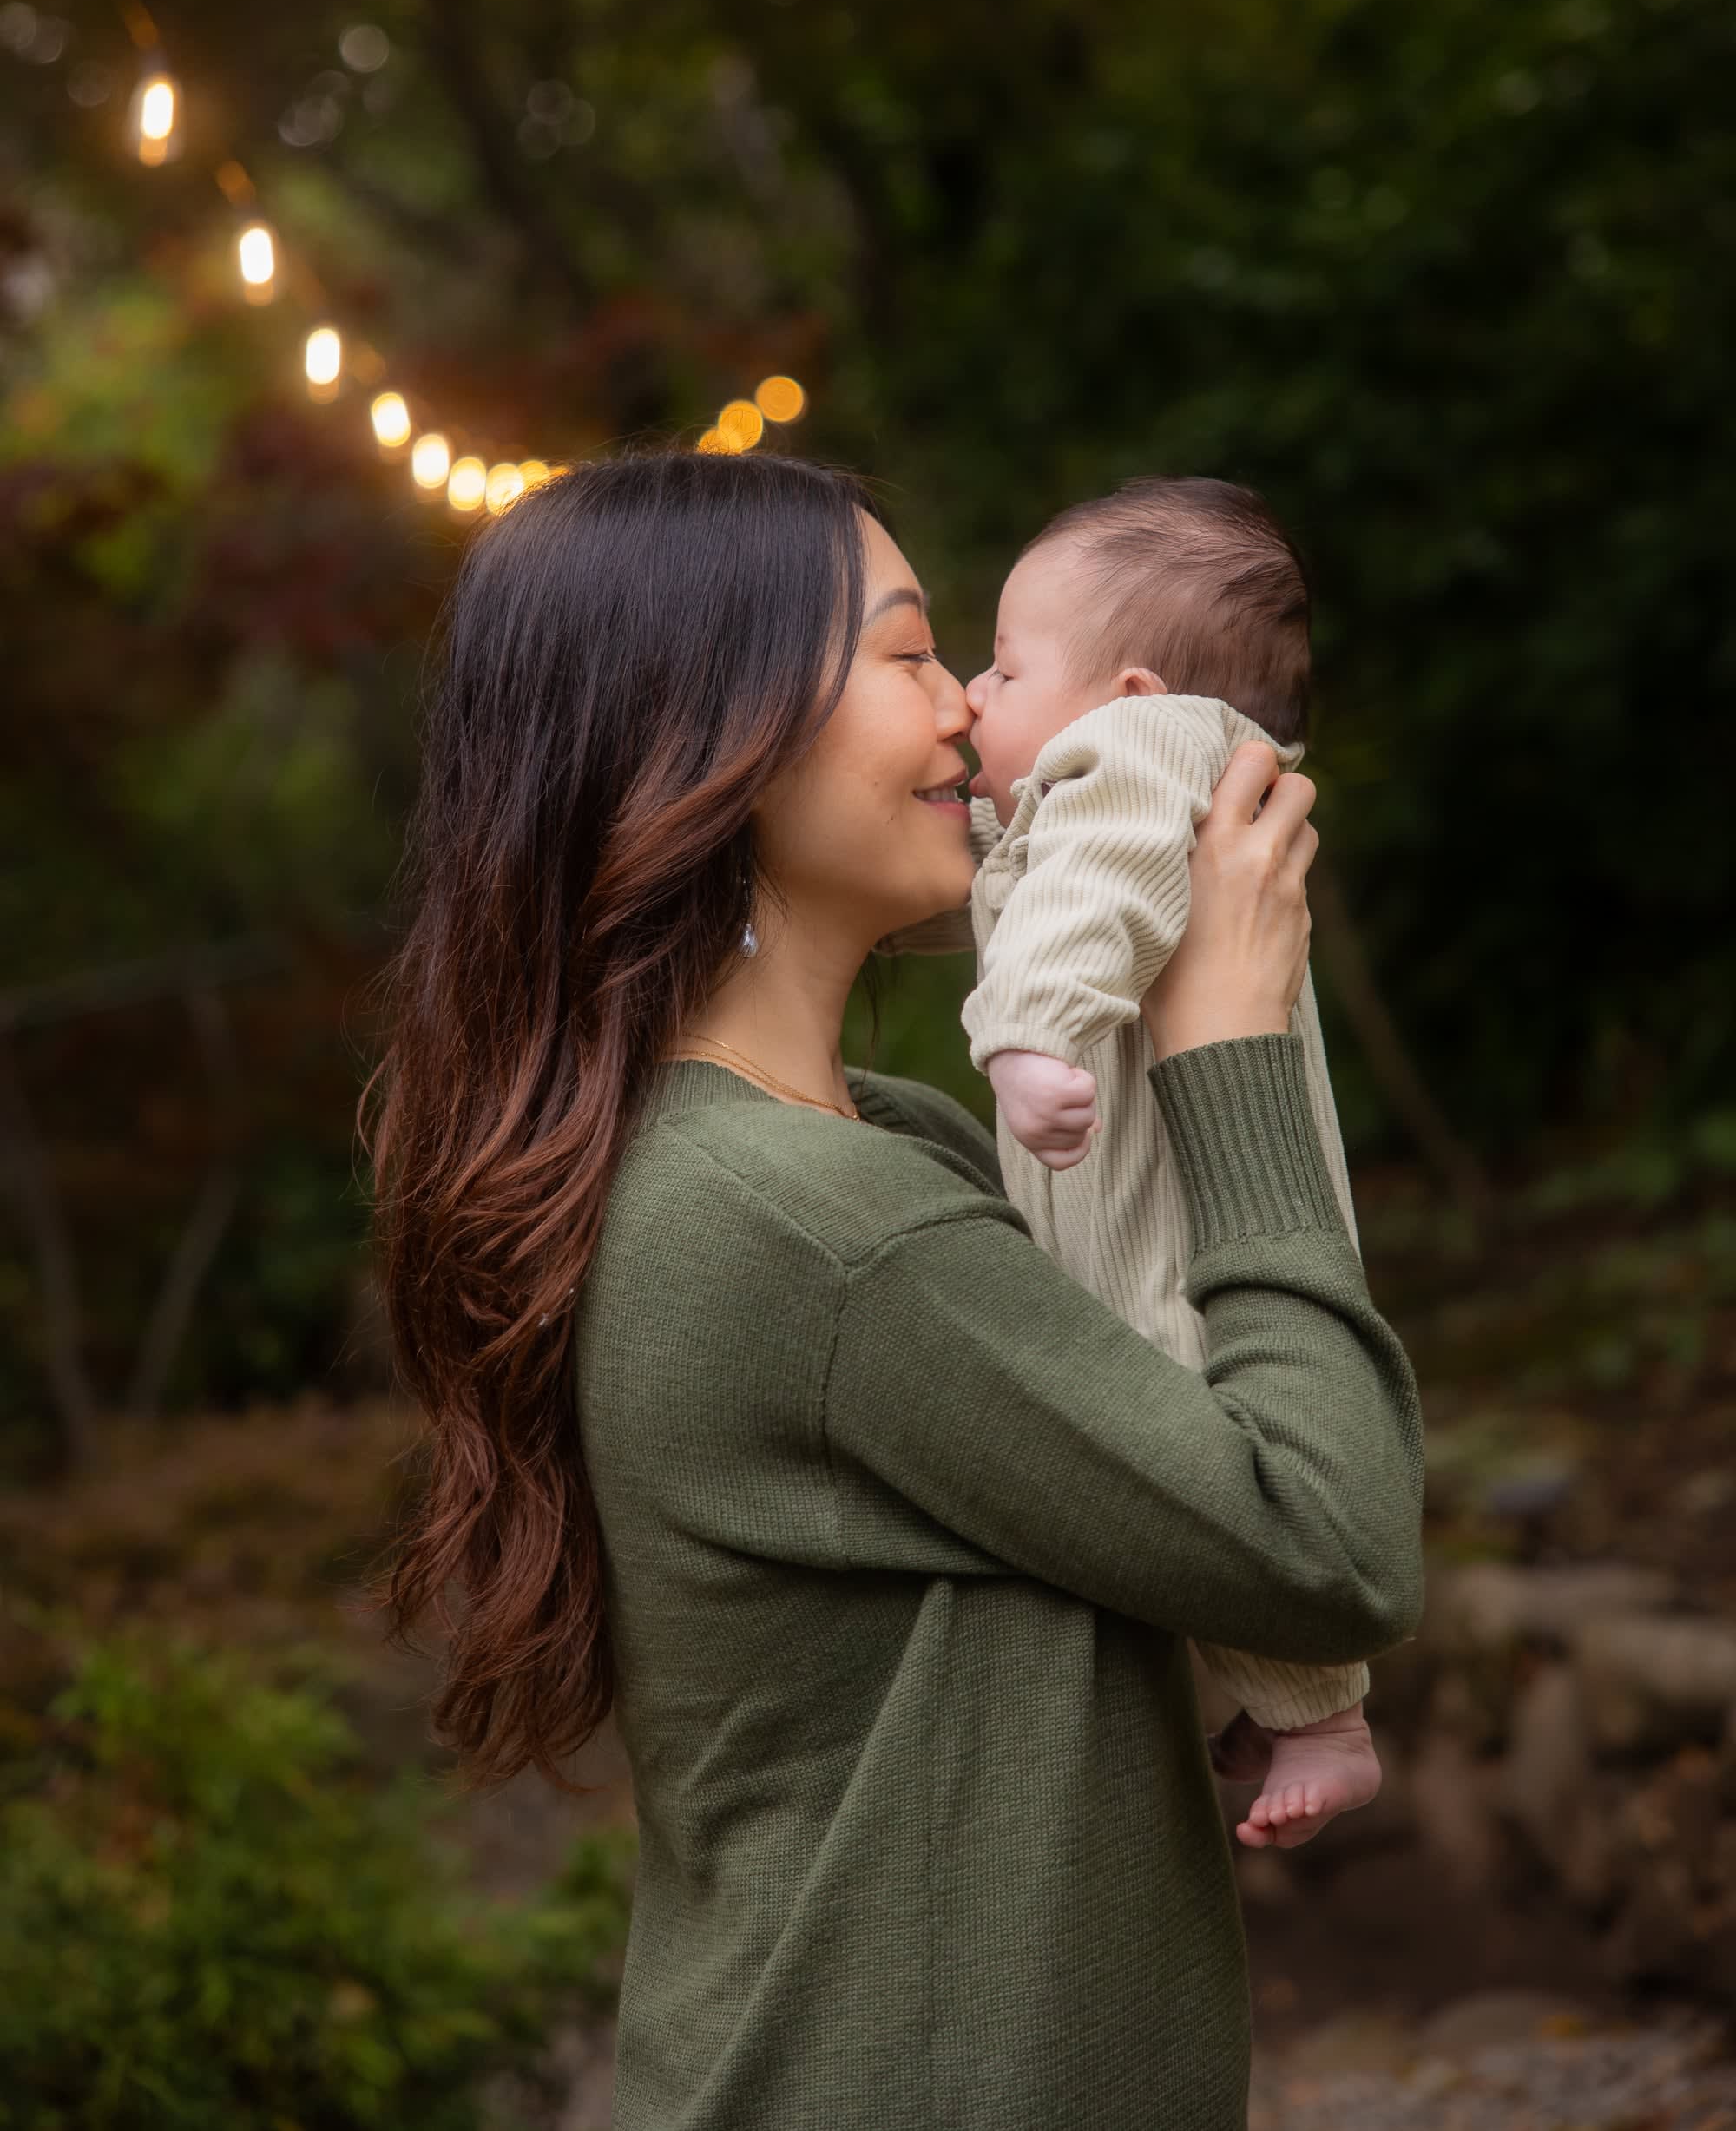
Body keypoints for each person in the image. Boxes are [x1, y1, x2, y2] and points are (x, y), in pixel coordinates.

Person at [365, 446, 1424, 2131]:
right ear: (709, 729)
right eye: (914, 649)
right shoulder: (816, 1225)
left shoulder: (872, 1152)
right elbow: (1329, 1543)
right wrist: (1229, 1057)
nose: (969, 715)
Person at [937, 476, 1381, 1853]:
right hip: (1157, 1187)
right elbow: (1049, 874)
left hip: (1171, 1215)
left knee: (1194, 1418)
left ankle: (1321, 1708)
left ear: (1126, 690)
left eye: (1004, 665)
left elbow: (1091, 900)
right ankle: (1279, 1693)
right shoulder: (1138, 773)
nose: (967, 691)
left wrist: (1023, 1032)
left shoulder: (1143, 752)